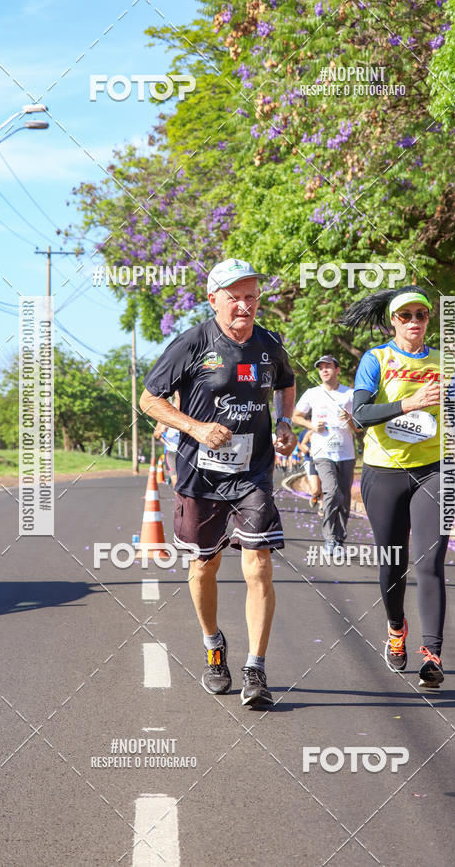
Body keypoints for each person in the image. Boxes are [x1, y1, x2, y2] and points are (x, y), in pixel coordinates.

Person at [139, 258, 296, 707]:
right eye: (234, 297)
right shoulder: (191, 344)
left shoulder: (269, 344)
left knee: (258, 563)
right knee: (204, 566)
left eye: (251, 296)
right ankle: (213, 646)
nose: (244, 305)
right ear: (214, 301)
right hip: (199, 474)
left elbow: (286, 383)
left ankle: (256, 669)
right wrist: (195, 427)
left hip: (254, 472)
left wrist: (285, 422)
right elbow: (150, 400)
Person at [343, 285, 450, 688]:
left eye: (420, 315)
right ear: (393, 321)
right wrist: (410, 402)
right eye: (404, 316)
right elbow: (361, 413)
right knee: (393, 563)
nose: (413, 323)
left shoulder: (445, 362)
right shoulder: (377, 359)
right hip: (383, 472)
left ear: (428, 320)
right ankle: (395, 627)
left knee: (430, 562)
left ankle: (433, 655)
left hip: (433, 470)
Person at [292, 356, 357, 554]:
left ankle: (339, 540)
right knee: (331, 490)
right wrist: (311, 425)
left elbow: (359, 429)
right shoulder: (313, 393)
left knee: (344, 497)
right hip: (322, 452)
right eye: (321, 368)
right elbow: (295, 416)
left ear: (337, 370)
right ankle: (329, 538)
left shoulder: (350, 394)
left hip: (346, 453)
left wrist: (350, 419)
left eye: (328, 367)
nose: (324, 370)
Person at [154, 392, 181, 487]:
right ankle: (178, 499)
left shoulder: (192, 408)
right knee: (175, 477)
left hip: (188, 452)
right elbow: (157, 433)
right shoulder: (167, 411)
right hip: (172, 451)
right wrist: (163, 427)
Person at [297, 428, 322, 509]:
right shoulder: (308, 432)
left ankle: (321, 505)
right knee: (315, 489)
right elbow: (301, 444)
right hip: (311, 460)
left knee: (324, 484)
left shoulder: (328, 429)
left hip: (326, 461)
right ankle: (314, 495)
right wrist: (308, 451)